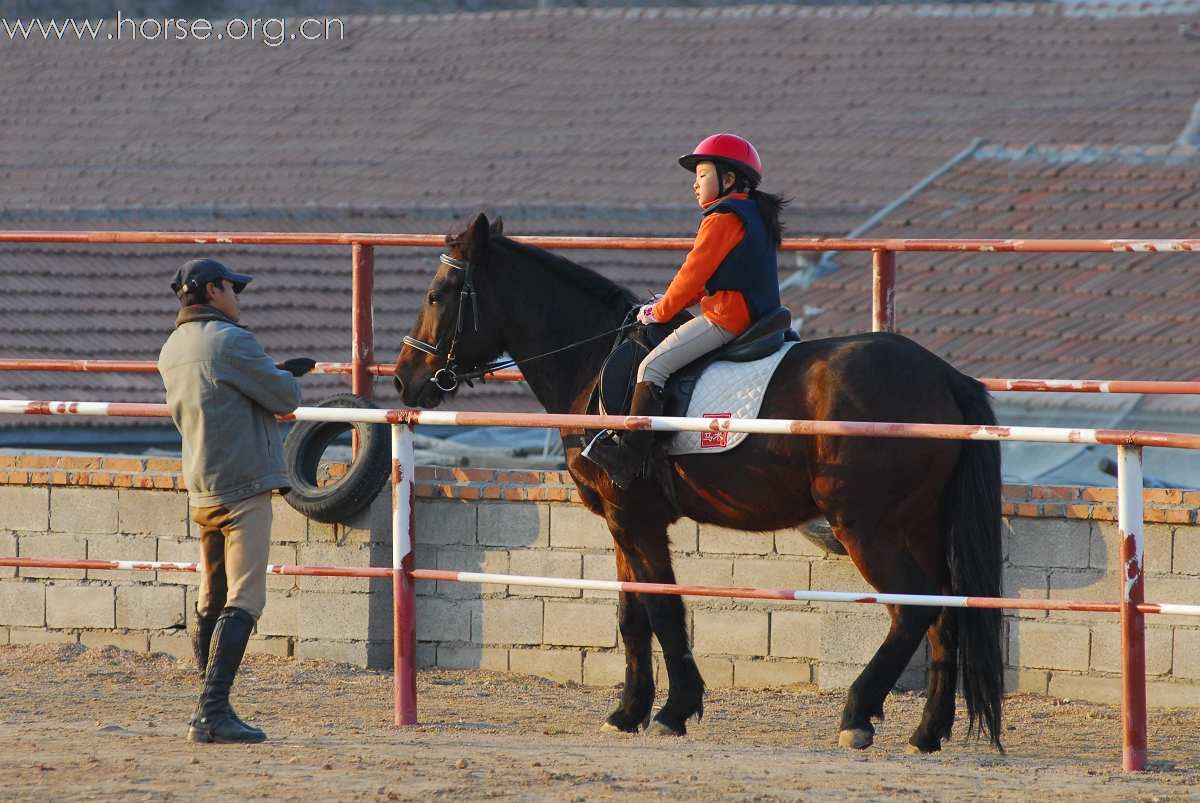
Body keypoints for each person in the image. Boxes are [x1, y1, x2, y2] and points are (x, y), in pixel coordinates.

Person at [158, 258, 314, 744]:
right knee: (245, 598)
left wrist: (269, 373)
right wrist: (284, 374)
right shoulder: (232, 340)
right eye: (232, 288)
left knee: (212, 595)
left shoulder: (172, 347)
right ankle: (213, 710)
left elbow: (222, 394)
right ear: (211, 291)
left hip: (202, 485)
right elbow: (284, 396)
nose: (237, 297)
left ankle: (207, 705)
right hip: (244, 487)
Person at [583, 133, 788, 489]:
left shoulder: (721, 217)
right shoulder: (751, 212)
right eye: (694, 178)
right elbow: (705, 282)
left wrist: (657, 312)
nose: (695, 185)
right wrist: (670, 302)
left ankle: (628, 458)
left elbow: (691, 275)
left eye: (702, 175)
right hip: (756, 314)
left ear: (728, 179)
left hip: (727, 319)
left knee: (653, 366)